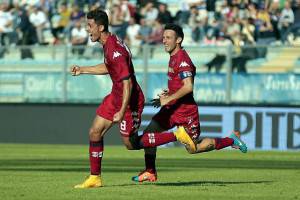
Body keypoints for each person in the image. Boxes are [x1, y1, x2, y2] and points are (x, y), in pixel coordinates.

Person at [131, 24, 248, 182]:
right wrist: (167, 95)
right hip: (172, 109)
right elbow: (179, 85)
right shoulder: (173, 57)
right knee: (149, 134)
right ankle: (150, 171)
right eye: (163, 37)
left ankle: (231, 140)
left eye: (168, 38)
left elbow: (188, 87)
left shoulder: (183, 60)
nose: (164, 41)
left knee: (193, 149)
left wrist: (168, 98)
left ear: (178, 40)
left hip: (186, 113)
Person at [70, 9, 145, 188]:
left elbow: (128, 84)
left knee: (130, 144)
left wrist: (121, 110)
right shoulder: (109, 43)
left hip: (129, 101)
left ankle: (170, 136)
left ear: (101, 27)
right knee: (95, 132)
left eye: (90, 26)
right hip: (116, 95)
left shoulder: (115, 50)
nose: (88, 30)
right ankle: (95, 177)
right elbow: (109, 67)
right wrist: (83, 70)